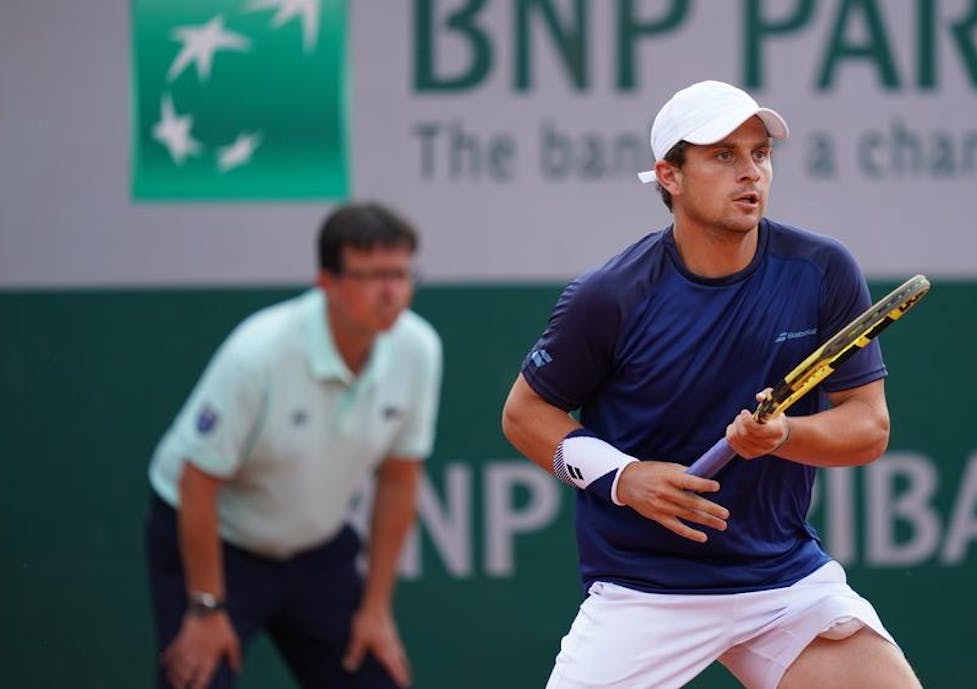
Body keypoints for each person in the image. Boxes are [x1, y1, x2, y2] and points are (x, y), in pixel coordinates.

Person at [501, 80, 922, 689]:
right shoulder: (610, 295)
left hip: (782, 583)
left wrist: (782, 436)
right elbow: (525, 415)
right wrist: (625, 478)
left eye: (760, 153)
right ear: (669, 176)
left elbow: (867, 428)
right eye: (723, 155)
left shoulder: (822, 270)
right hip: (645, 589)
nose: (749, 172)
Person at [145, 202, 442, 689]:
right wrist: (204, 608)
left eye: (401, 275)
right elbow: (196, 483)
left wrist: (376, 610)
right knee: (194, 679)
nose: (391, 293)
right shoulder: (258, 353)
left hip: (315, 549)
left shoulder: (419, 349)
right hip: (216, 546)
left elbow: (399, 479)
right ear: (326, 281)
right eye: (372, 277)